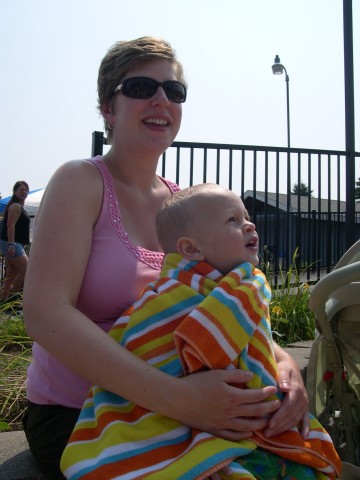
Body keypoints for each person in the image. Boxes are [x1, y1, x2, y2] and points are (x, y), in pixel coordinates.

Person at [23, 37, 309, 480]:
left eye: (173, 91)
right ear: (107, 108)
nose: (161, 99)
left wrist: (286, 368)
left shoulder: (184, 206)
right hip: (88, 417)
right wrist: (178, 398)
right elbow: (45, 315)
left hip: (184, 414)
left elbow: (227, 303)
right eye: (140, 87)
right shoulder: (80, 181)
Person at [61, 183, 341, 480]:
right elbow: (147, 347)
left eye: (245, 216)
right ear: (190, 248)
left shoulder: (245, 287)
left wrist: (285, 367)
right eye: (232, 220)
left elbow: (256, 342)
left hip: (253, 422)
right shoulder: (169, 297)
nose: (249, 224)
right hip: (181, 423)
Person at [0, 181, 30, 302]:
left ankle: (3, 301)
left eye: (26, 190)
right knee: (26, 270)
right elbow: (10, 226)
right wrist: (11, 245)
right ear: (15, 191)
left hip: (12, 243)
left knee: (11, 275)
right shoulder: (16, 206)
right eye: (21, 189)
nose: (24, 192)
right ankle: (12, 299)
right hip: (12, 243)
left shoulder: (19, 206)